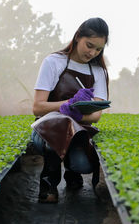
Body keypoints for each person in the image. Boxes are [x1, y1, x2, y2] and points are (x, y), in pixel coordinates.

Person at [31, 17, 109, 203]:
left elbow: (96, 115)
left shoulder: (97, 71)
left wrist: (75, 113)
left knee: (82, 164)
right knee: (59, 123)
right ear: (77, 37)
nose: (92, 52)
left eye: (98, 49)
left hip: (79, 132)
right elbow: (37, 107)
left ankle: (73, 174)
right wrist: (67, 105)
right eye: (89, 45)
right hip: (46, 131)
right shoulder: (54, 62)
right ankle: (48, 185)